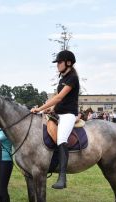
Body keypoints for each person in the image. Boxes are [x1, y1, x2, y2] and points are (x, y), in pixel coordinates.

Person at [31, 50, 80, 189]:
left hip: (68, 115)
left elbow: (58, 98)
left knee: (62, 138)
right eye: (57, 62)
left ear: (68, 63)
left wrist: (39, 108)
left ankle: (62, 178)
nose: (57, 65)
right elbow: (58, 100)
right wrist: (50, 109)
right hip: (58, 113)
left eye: (59, 62)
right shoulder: (62, 79)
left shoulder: (72, 78)